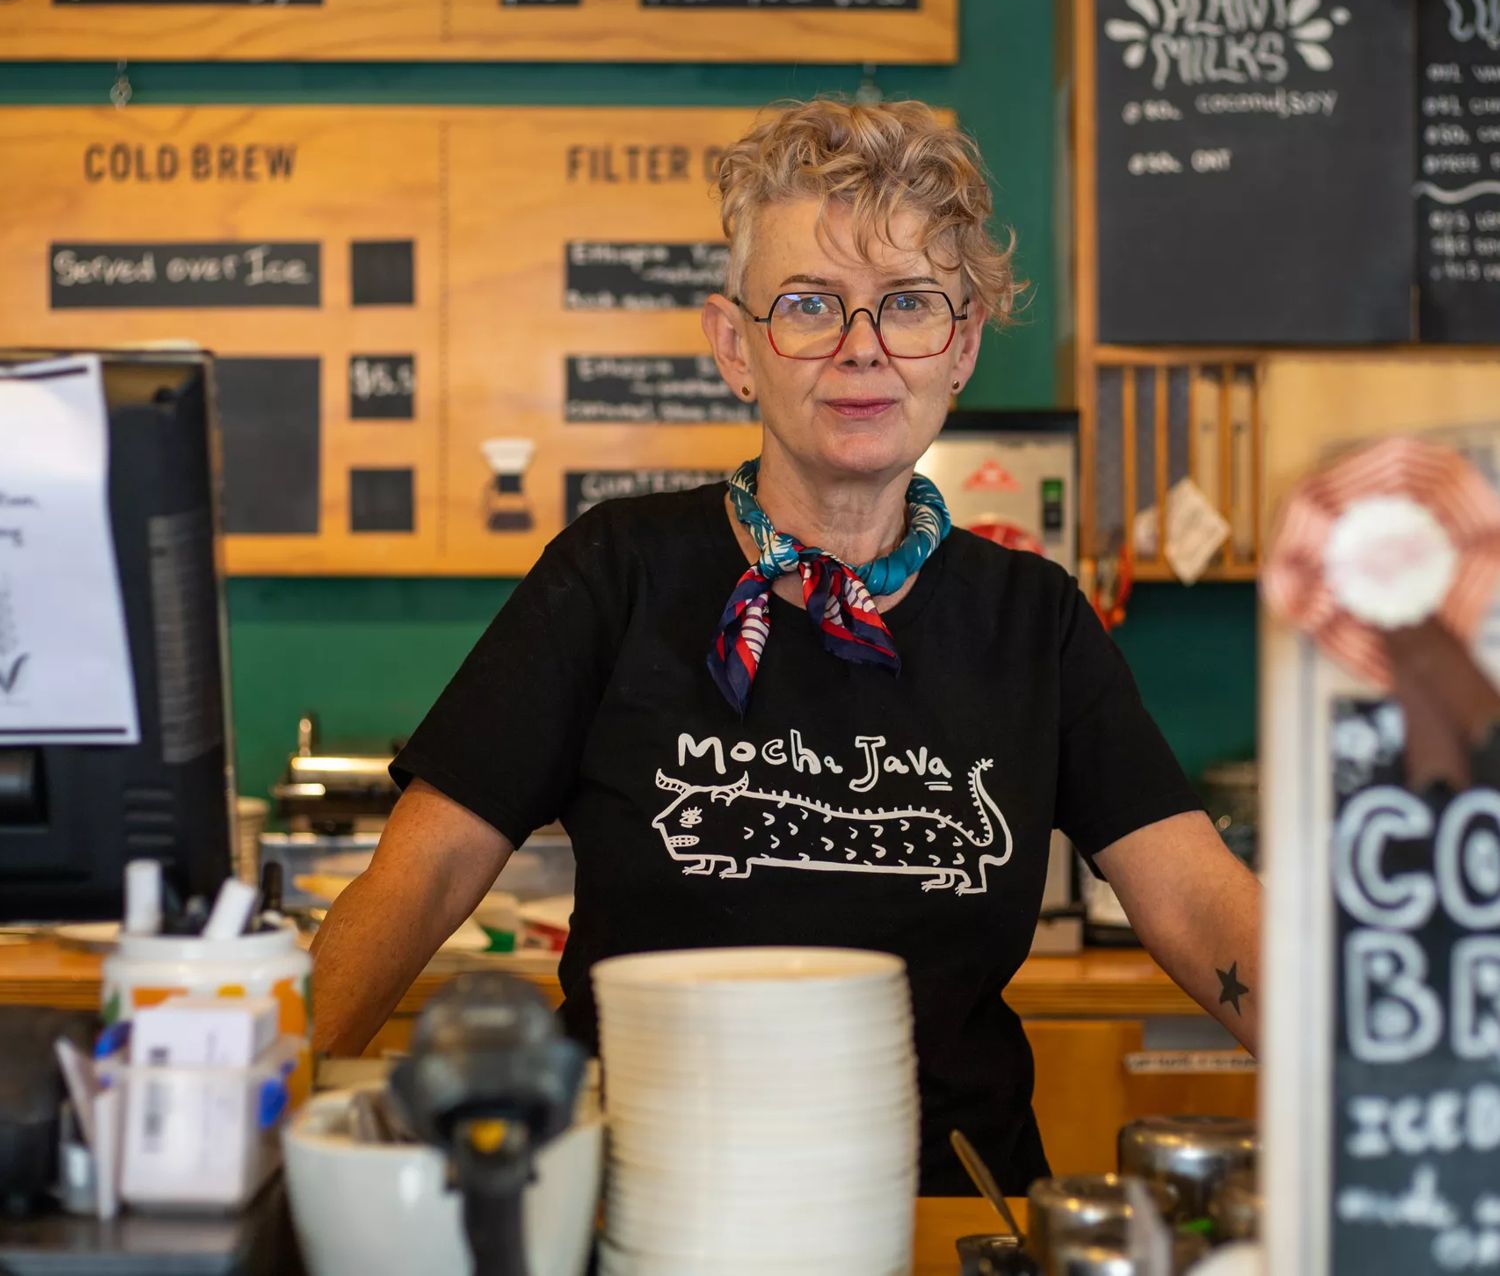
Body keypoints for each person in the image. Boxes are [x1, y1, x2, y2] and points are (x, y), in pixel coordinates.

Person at [311, 97, 1262, 1194]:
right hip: (645, 1205)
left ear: (958, 348)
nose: (862, 350)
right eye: (811, 305)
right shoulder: (615, 575)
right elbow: (423, 878)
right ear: (735, 348)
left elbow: (1194, 900)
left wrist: (1377, 1092)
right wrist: (264, 1108)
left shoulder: (1035, 621)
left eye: (906, 304)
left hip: (944, 1213)